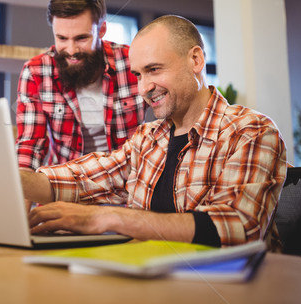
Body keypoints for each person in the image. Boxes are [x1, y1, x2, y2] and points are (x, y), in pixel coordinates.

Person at [20, 15, 287, 248]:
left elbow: (238, 228)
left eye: (154, 70)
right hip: (153, 280)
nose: (143, 88)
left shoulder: (250, 131)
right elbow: (82, 180)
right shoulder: (147, 139)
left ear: (195, 60)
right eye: (137, 75)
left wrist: (109, 218)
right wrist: (12, 178)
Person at [15, 0, 145, 174]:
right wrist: (19, 203)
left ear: (101, 30)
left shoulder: (132, 63)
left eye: (81, 38)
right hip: (64, 183)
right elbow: (30, 148)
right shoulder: (36, 72)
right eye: (62, 38)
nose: (71, 50)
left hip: (125, 187)